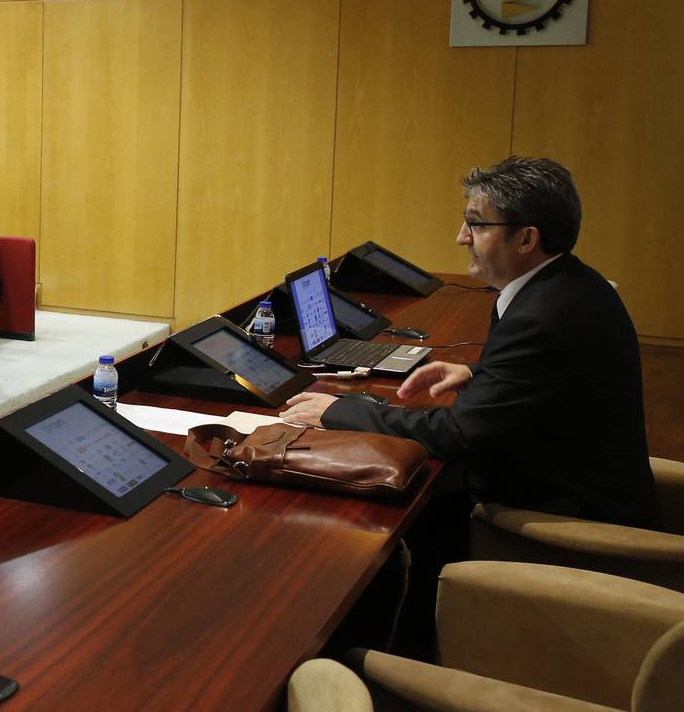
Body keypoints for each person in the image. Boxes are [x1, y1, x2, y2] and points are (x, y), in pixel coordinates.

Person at [282, 157, 658, 529]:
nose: (462, 237)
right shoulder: (577, 283)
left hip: (562, 521)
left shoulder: (537, 318)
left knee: (372, 519)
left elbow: (458, 434)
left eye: (476, 224)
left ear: (526, 239)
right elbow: (548, 377)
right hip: (579, 487)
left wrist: (339, 412)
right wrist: (477, 374)